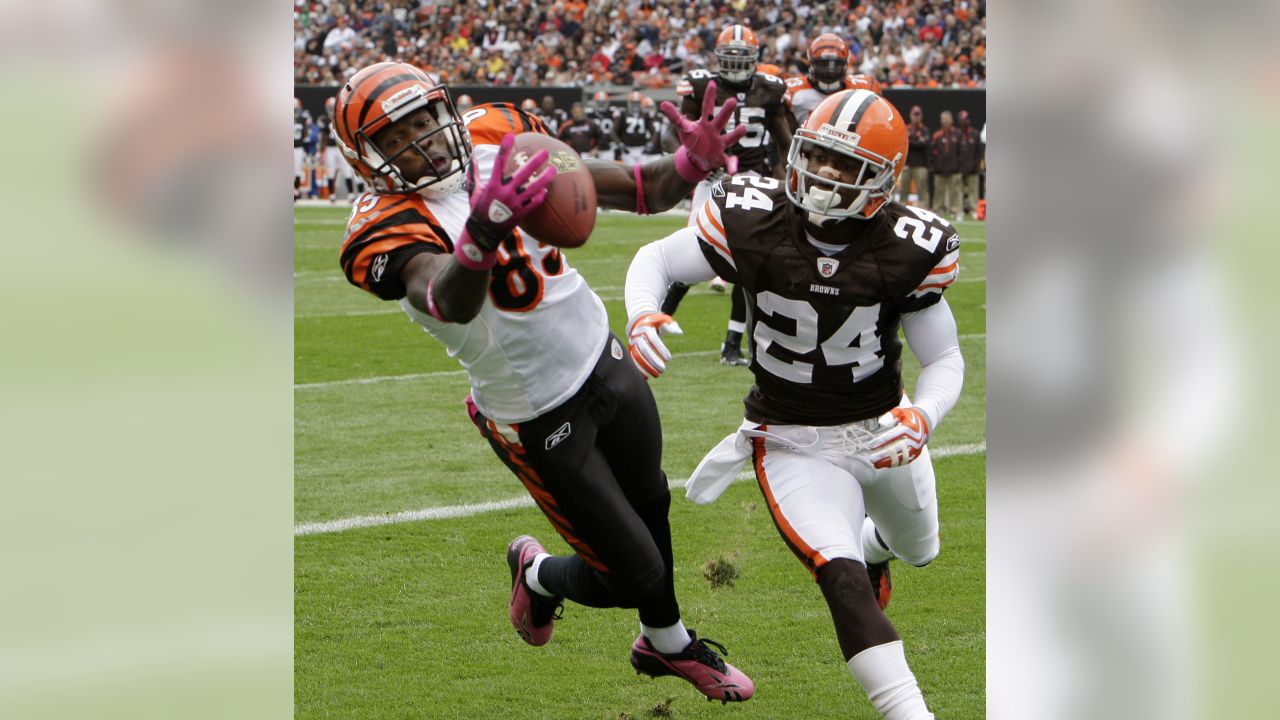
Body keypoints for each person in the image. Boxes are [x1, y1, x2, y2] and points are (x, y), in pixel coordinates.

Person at [331, 61, 754, 704]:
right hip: (534, 410)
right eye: (393, 137)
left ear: (445, 106)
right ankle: (539, 576)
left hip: (602, 355)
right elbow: (448, 299)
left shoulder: (498, 133)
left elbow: (636, 188)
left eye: (421, 120)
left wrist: (689, 166)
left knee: (652, 504)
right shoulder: (380, 224)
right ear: (366, 157)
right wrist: (484, 228)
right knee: (633, 572)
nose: (418, 140)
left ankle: (665, 644)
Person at [623, 89, 964, 720]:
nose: (825, 176)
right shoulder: (753, 216)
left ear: (883, 182)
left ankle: (878, 547)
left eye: (846, 166)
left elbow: (944, 358)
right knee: (844, 584)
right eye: (819, 157)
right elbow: (657, 258)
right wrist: (644, 311)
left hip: (882, 427)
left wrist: (924, 415)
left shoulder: (910, 246)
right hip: (790, 439)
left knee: (919, 549)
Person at [660, 24, 794, 366]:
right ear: (718, 58)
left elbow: (784, 143)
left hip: (753, 183)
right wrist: (692, 161)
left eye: (742, 58)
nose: (735, 65)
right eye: (729, 58)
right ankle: (656, 324)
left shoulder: (771, 90)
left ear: (755, 59)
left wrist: (786, 182)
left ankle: (732, 344)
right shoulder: (702, 84)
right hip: (712, 179)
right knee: (692, 251)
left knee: (748, 264)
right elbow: (671, 133)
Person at [783, 33, 883, 127]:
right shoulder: (792, 90)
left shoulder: (864, 88)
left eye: (836, 65)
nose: (829, 71)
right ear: (811, 63)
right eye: (823, 64)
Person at [930, 110, 963, 220]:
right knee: (939, 192)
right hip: (940, 170)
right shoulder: (937, 134)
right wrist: (935, 166)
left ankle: (957, 211)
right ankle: (938, 211)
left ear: (951, 120)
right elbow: (932, 152)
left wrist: (958, 165)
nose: (945, 120)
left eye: (947, 118)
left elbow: (962, 151)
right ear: (941, 120)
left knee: (956, 192)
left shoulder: (958, 134)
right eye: (943, 118)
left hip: (955, 169)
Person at [615, 90, 656, 166]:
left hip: (642, 148)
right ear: (629, 103)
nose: (635, 106)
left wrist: (650, 143)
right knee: (631, 172)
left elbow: (653, 131)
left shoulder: (646, 115)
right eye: (633, 103)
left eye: (637, 103)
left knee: (644, 170)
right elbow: (613, 131)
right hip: (628, 149)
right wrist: (619, 143)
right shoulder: (622, 114)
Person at [956, 110, 983, 219]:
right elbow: (954, 152)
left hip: (972, 168)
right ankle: (959, 211)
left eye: (966, 119)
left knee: (973, 190)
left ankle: (973, 210)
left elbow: (979, 152)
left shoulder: (975, 134)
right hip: (959, 168)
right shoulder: (956, 134)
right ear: (959, 121)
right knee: (958, 190)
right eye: (963, 120)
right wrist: (956, 166)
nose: (965, 122)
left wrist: (976, 166)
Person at [901, 105, 930, 207]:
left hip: (920, 165)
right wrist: (916, 141)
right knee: (904, 189)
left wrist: (911, 141)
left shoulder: (924, 129)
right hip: (907, 164)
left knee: (922, 189)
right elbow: (904, 143)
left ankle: (924, 209)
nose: (916, 117)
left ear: (921, 116)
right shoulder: (906, 128)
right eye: (914, 115)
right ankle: (902, 208)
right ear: (911, 115)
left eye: (918, 115)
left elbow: (923, 144)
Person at [294, 98, 313, 201]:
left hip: (299, 148)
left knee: (297, 171)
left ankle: (296, 190)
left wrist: (306, 151)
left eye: (295, 109)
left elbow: (305, 134)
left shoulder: (302, 119)